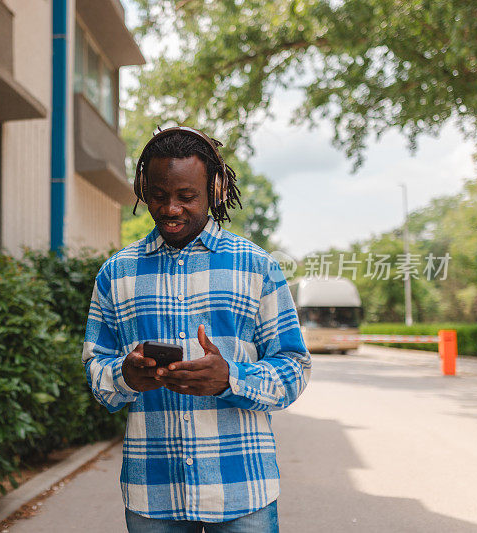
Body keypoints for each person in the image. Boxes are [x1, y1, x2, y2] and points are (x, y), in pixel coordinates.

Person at [82, 127, 311, 532]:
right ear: (142, 188)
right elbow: (96, 370)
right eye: (157, 194)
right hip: (152, 494)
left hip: (244, 491)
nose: (170, 209)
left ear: (216, 189)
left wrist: (231, 377)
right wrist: (125, 375)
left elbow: (294, 368)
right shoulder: (116, 274)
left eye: (186, 196)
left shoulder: (257, 266)